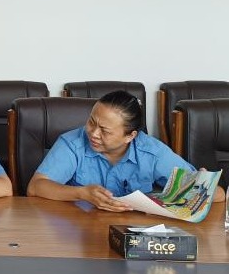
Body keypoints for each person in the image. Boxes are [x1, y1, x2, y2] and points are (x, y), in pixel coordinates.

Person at [27, 90, 226, 211]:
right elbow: (36, 187)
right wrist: (81, 193)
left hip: (136, 231)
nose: (93, 133)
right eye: (92, 122)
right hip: (80, 230)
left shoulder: (152, 152)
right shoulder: (73, 143)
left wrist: (203, 185)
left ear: (130, 136)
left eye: (105, 131)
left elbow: (217, 195)